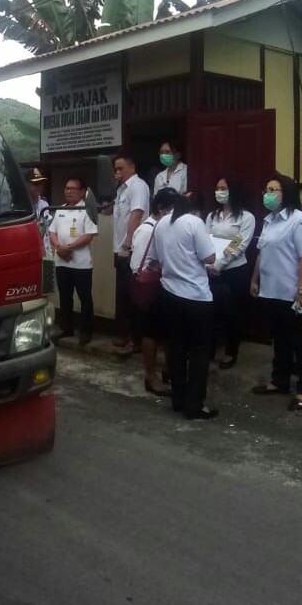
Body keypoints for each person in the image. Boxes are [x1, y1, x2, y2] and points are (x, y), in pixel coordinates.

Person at [250, 173, 302, 411]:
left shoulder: (299, 221)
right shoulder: (269, 220)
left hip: (293, 293)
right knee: (279, 339)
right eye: (266, 190)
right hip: (271, 292)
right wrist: (255, 279)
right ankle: (279, 380)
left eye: (273, 190)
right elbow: (262, 252)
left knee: (300, 342)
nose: (268, 194)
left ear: (286, 193)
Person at [148, 188, 219, 419]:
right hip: (196, 297)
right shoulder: (194, 223)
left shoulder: (161, 223)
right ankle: (194, 404)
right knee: (199, 352)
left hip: (169, 293)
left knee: (175, 347)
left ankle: (178, 398)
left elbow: (155, 259)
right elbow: (210, 257)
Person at [206, 177, 257, 370]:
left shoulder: (246, 217)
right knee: (211, 311)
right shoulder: (212, 216)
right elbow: (204, 240)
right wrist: (209, 264)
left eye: (224, 188)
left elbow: (239, 243)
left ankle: (231, 351)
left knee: (233, 313)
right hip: (211, 270)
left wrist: (220, 263)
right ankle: (209, 349)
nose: (219, 191)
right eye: (217, 188)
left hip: (235, 271)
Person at [47, 177, 97, 346]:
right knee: (65, 296)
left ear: (82, 192)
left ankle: (86, 330)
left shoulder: (86, 210)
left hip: (81, 264)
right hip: (62, 262)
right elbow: (52, 232)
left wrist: (68, 247)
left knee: (84, 297)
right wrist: (58, 247)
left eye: (72, 188)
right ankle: (66, 328)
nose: (68, 191)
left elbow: (88, 235)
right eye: (67, 188)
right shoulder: (60, 209)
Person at [109, 154, 151, 353]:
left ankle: (137, 339)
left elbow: (137, 215)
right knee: (123, 296)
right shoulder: (121, 189)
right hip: (119, 249)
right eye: (115, 169)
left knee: (134, 296)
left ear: (132, 167)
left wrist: (127, 244)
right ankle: (125, 335)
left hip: (131, 250)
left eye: (121, 168)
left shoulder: (138, 186)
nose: (117, 172)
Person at [130, 198, 171, 396]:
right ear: (162, 209)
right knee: (151, 332)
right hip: (151, 288)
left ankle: (167, 372)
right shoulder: (148, 230)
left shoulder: (164, 228)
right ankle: (151, 376)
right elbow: (138, 264)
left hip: (164, 287)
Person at [28, 167, 52, 257]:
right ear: (26, 185)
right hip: (29, 250)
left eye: (41, 183)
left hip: (45, 250)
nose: (39, 187)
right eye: (35, 184)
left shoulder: (44, 204)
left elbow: (47, 230)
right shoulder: (20, 206)